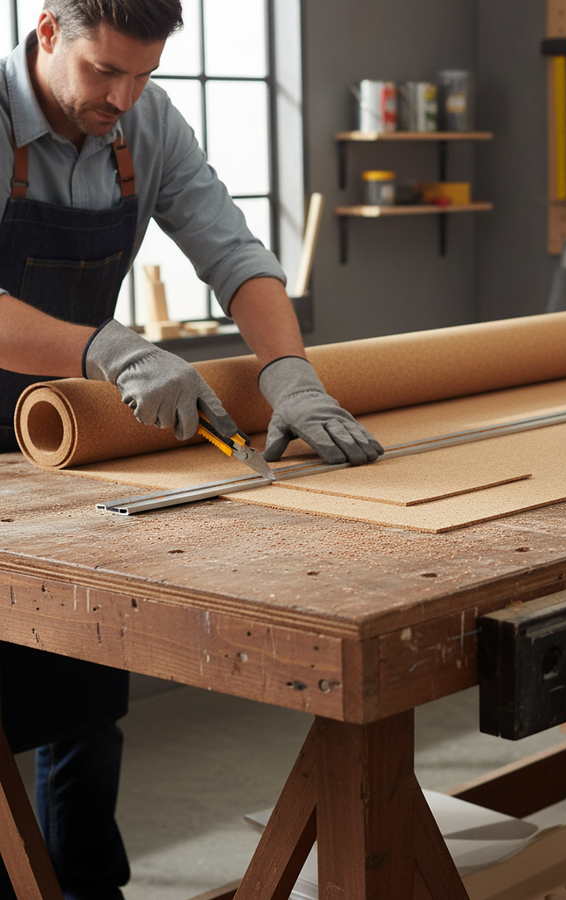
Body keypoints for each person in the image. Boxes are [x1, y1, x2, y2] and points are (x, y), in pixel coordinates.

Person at [0, 2, 383, 896]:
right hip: (61, 393)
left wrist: (288, 369)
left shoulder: (146, 121)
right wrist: (102, 348)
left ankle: (88, 886)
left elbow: (234, 251)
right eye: (104, 72)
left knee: (82, 684)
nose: (124, 96)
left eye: (144, 74)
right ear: (48, 33)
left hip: (66, 437)